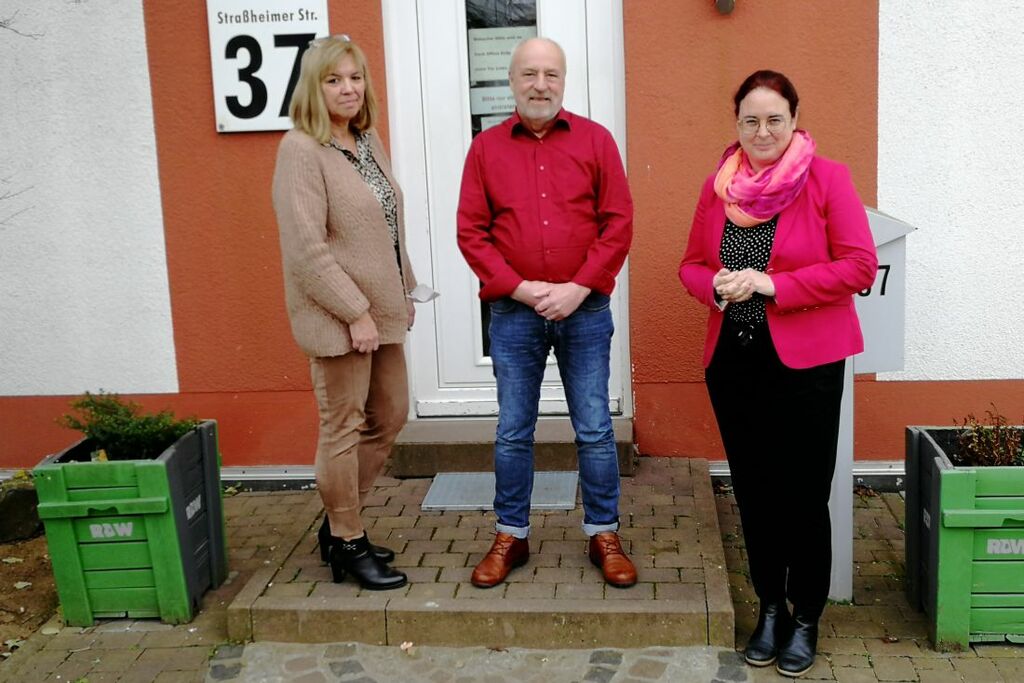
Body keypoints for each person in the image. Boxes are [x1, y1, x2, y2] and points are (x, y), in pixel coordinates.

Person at [678, 70, 877, 677]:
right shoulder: (719, 185)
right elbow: (690, 265)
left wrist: (771, 284)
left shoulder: (827, 178)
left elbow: (859, 265)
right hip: (735, 363)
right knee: (754, 491)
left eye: (774, 119)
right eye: (750, 120)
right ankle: (769, 607)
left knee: (804, 494)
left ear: (793, 120)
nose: (762, 131)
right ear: (736, 123)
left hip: (807, 365)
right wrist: (715, 285)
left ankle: (806, 614)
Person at [456, 37, 635, 589]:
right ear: (511, 81)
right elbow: (471, 232)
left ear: (563, 80)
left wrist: (578, 287)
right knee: (513, 430)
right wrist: (521, 289)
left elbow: (618, 223)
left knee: (595, 428)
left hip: (585, 309)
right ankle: (511, 533)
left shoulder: (596, 141)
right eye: (529, 74)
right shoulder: (485, 149)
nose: (540, 85)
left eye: (551, 74)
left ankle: (604, 532)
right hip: (515, 314)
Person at [272, 35, 417, 591]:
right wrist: (355, 311)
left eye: (355, 78)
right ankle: (349, 542)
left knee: (390, 415)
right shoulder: (301, 150)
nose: (348, 89)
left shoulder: (366, 139)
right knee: (343, 427)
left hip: (380, 312)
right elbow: (306, 249)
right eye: (334, 80)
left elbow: (387, 225)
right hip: (336, 319)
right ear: (314, 87)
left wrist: (405, 288)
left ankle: (337, 526)